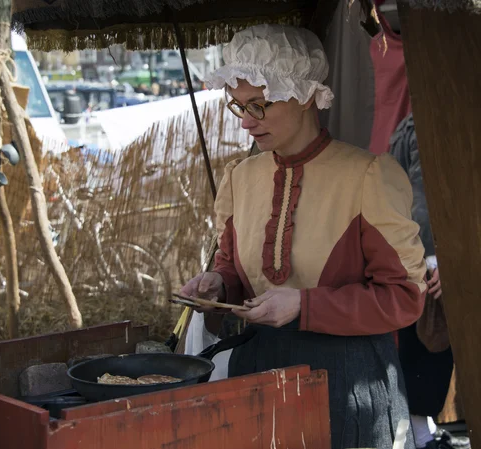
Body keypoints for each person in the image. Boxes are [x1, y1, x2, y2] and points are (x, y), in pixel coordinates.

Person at [180, 24, 427, 449]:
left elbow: (404, 297)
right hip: (255, 379)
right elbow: (232, 268)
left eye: (259, 105)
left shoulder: (367, 177)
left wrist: (304, 305)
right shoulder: (241, 178)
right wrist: (218, 285)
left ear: (307, 94)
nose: (247, 123)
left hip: (347, 387)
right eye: (238, 107)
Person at [390, 113, 470, 449]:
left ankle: (422, 435)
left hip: (425, 255)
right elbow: (420, 197)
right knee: (427, 344)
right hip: (427, 260)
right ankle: (420, 437)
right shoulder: (425, 125)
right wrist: (435, 259)